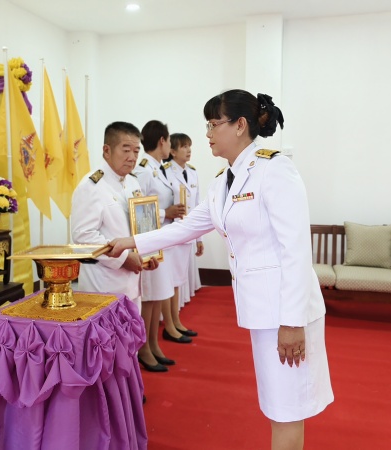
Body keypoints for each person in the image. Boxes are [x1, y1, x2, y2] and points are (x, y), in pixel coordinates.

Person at [108, 90, 333, 450]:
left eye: (214, 124)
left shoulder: (274, 170)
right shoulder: (224, 181)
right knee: (276, 406)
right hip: (262, 311)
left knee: (287, 409)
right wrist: (131, 241)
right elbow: (187, 227)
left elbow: (296, 250)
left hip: (285, 312)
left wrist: (292, 322)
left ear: (240, 125)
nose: (208, 133)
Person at [70, 122, 159, 381]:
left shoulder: (132, 183)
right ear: (106, 150)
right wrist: (123, 258)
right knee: (106, 346)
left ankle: (127, 391)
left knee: (128, 341)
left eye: (136, 150)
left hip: (132, 280)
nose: (132, 157)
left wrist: (148, 254)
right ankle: (110, 395)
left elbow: (140, 226)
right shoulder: (91, 186)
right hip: (105, 282)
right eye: (125, 149)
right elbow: (83, 237)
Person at [133, 120, 188, 373]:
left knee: (158, 295)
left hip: (161, 238)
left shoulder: (158, 168)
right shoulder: (145, 170)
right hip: (150, 239)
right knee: (150, 297)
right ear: (162, 141)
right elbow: (137, 209)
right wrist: (167, 212)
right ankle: (144, 348)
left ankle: (154, 344)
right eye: (168, 141)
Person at [163, 133, 204, 335]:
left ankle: (176, 321)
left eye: (189, 146)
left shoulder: (192, 173)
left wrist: (199, 238)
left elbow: (197, 206)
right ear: (172, 151)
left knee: (178, 280)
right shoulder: (164, 172)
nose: (188, 150)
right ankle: (169, 325)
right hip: (171, 232)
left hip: (187, 233)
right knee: (169, 281)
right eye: (184, 147)